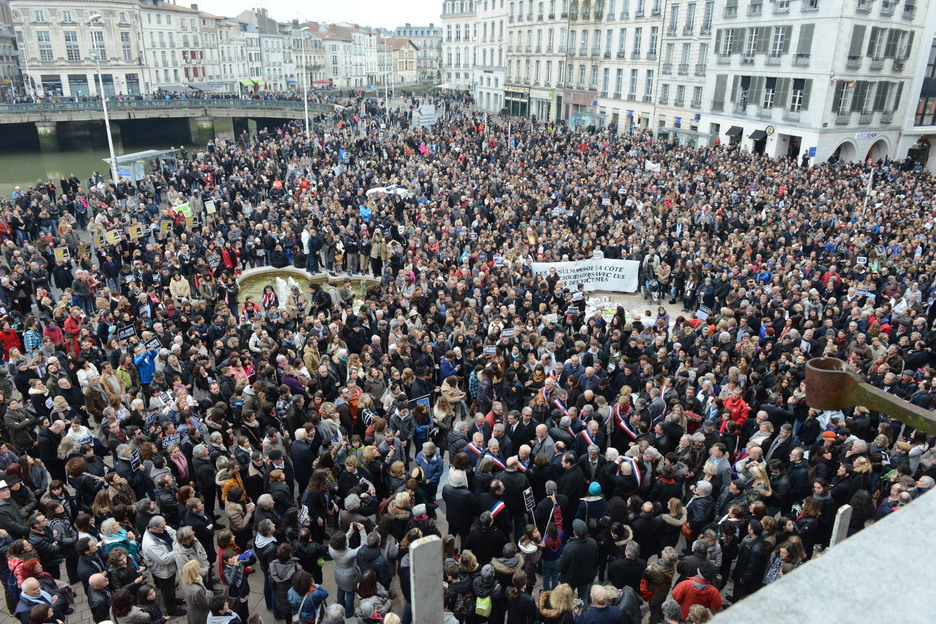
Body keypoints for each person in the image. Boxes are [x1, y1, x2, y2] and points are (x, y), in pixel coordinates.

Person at [140, 516, 184, 617]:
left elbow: (173, 532)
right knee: (167, 590)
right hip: (163, 571)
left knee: (171, 587)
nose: (165, 528)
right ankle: (172, 609)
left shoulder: (161, 529)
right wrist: (178, 549)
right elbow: (164, 559)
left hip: (170, 567)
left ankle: (173, 600)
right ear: (154, 528)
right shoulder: (150, 544)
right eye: (163, 527)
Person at [558, 518, 597, 601]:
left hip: (571, 579)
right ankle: (582, 613)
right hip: (586, 578)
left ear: (574, 532)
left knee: (567, 599)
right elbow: (596, 561)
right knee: (583, 598)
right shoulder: (592, 543)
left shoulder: (569, 548)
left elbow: (561, 567)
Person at [179, 559, 211, 624]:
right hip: (200, 616)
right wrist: (209, 594)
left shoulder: (185, 582)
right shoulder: (197, 590)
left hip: (192, 613)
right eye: (198, 567)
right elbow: (204, 605)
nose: (199, 568)